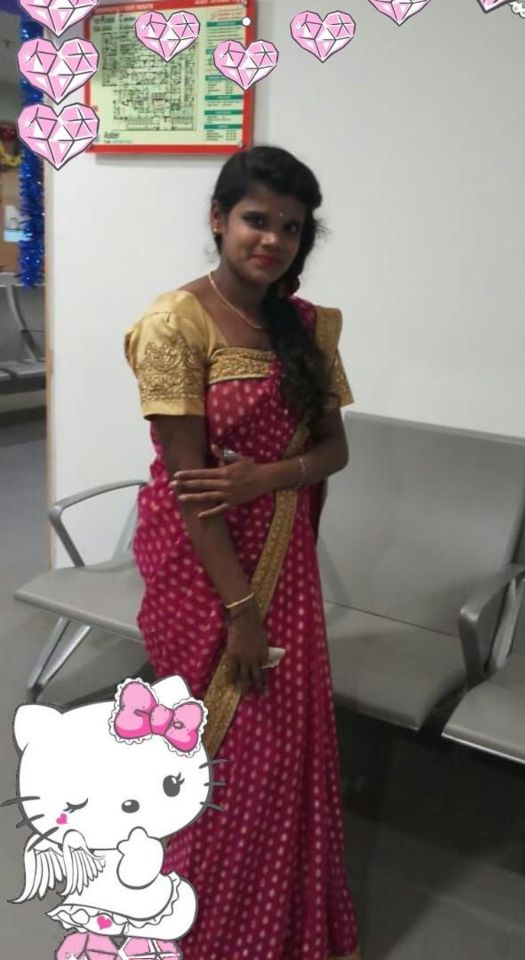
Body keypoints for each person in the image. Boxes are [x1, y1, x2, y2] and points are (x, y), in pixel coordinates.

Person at [124, 145, 361, 960]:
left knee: (280, 749)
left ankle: (274, 922)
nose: (272, 240)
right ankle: (196, 923)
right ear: (219, 219)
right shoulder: (175, 323)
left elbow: (334, 451)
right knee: (212, 745)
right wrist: (241, 612)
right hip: (203, 571)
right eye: (257, 220)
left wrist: (267, 477)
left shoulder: (308, 328)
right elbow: (192, 489)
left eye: (291, 229)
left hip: (283, 557)